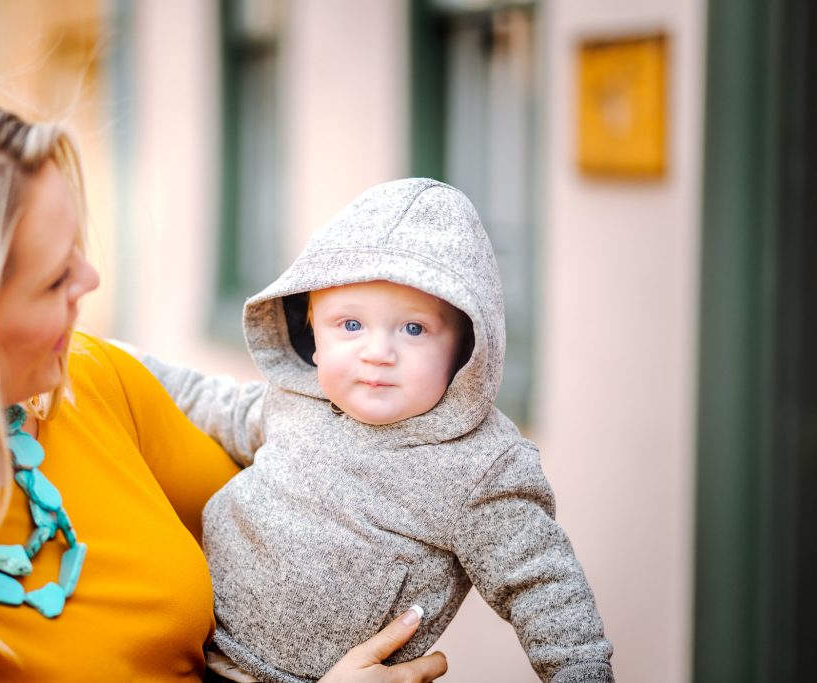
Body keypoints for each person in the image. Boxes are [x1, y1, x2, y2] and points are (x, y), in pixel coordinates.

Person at [0, 87, 447, 683]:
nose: (90, 280)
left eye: (80, 251)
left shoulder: (91, 381)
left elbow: (283, 515)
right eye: (54, 278)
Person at [137, 178, 615, 682]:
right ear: (314, 334)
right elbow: (207, 400)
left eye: (413, 329)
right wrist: (116, 360)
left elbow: (545, 588)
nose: (377, 352)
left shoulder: (477, 465)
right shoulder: (295, 402)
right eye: (350, 325)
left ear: (464, 349)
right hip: (193, 648)